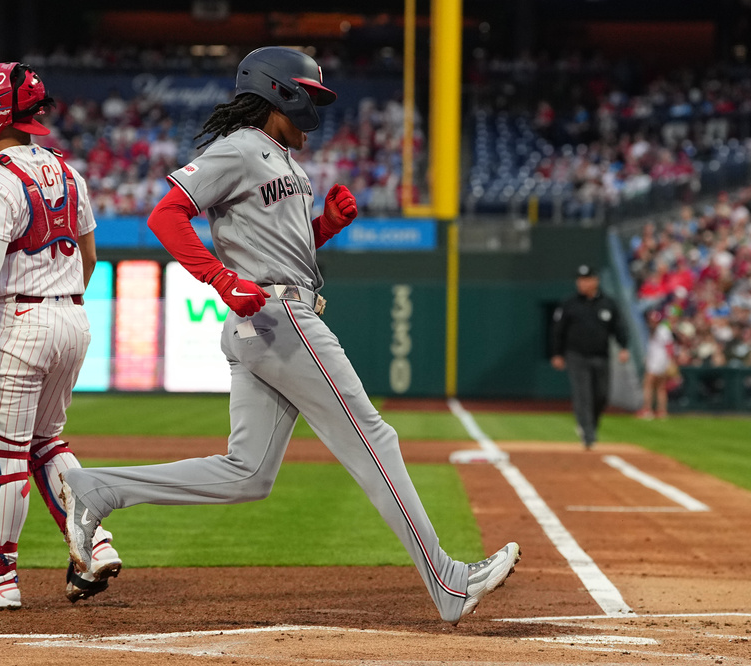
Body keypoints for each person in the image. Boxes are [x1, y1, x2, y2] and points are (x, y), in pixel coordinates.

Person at [59, 46, 520, 625]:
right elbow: (165, 215)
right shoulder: (239, 148)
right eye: (311, 93)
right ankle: (449, 584)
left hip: (272, 317)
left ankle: (96, 489)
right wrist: (221, 280)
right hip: (280, 320)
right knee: (375, 441)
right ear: (279, 92)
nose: (317, 107)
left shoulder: (282, 159)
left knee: (247, 473)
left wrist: (324, 227)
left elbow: (276, 252)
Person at [0, 62, 120, 610]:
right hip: (72, 318)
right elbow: (88, 255)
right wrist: (64, 306)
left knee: (0, 453)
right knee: (48, 443)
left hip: (17, 323)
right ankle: (95, 542)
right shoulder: (68, 171)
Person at [551, 264, 631, 449]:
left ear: (595, 281)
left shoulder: (608, 303)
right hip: (576, 356)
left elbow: (619, 327)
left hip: (600, 355)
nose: (582, 283)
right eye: (580, 280)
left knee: (601, 395)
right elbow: (557, 331)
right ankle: (587, 434)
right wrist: (557, 353)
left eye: (586, 279)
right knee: (583, 395)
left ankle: (590, 426)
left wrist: (623, 347)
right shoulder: (569, 304)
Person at [636, 309, 676, 419]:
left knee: (649, 385)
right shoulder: (653, 330)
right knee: (660, 387)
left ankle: (648, 409)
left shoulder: (662, 330)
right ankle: (661, 411)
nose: (652, 322)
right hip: (657, 360)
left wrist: (670, 362)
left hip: (659, 361)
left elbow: (669, 347)